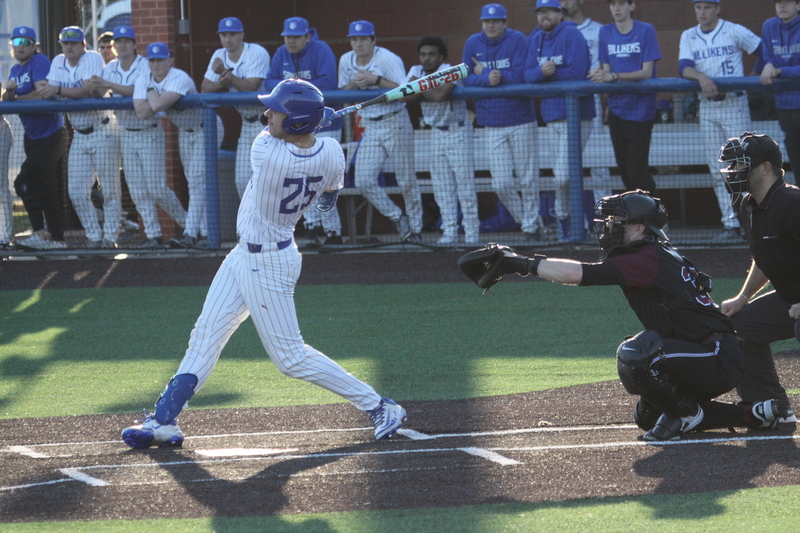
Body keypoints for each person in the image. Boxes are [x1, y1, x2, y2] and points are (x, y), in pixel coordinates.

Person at [121, 79, 407, 448]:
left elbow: (279, 137)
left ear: (297, 122)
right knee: (205, 335)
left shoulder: (266, 152)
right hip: (246, 254)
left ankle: (379, 405)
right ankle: (164, 421)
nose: (268, 114)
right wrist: (314, 130)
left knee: (291, 359)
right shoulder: (333, 152)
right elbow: (327, 198)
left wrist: (312, 125)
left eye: (278, 111)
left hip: (269, 263)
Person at [464, 190, 779, 440]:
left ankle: (687, 414)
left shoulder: (645, 256)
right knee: (648, 416)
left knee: (636, 356)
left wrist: (520, 263)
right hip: (703, 351)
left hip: (715, 355)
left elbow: (577, 274)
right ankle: (749, 415)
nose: (609, 226)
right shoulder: (652, 251)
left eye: (617, 221)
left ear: (639, 228)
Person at [719, 131, 800, 424]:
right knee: (736, 325)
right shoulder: (748, 205)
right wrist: (743, 297)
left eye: (741, 165)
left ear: (765, 168)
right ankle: (772, 408)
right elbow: (765, 258)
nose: (733, 171)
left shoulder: (793, 203)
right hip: (789, 300)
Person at [89, 26, 184, 249]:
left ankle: (189, 226)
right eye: (118, 41)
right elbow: (98, 94)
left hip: (149, 130)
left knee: (156, 188)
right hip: (126, 132)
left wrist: (108, 85)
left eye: (126, 41)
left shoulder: (144, 65)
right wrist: (94, 86)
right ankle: (153, 235)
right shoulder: (110, 68)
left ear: (134, 44)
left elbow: (137, 90)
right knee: (137, 191)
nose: (122, 45)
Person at [679, 0, 762, 242]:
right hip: (707, 106)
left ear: (717, 9)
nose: (702, 12)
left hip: (734, 104)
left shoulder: (733, 30)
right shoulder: (688, 35)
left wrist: (754, 76)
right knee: (719, 169)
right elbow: (684, 67)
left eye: (707, 7)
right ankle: (730, 224)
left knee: (744, 166)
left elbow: (764, 51)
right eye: (698, 7)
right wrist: (701, 77)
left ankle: (752, 221)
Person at [462, 3, 542, 240]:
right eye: (486, 21)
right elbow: (465, 78)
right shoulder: (472, 42)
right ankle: (529, 221)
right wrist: (486, 78)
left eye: (495, 21)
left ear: (504, 23)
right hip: (491, 122)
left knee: (528, 179)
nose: (490, 25)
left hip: (521, 119)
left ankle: (530, 229)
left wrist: (488, 73)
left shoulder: (517, 39)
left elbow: (522, 75)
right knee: (501, 184)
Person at [338, 20, 422, 243]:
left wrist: (376, 80)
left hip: (395, 121)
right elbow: (342, 93)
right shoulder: (346, 60)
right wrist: (354, 85)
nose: (358, 44)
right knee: (363, 180)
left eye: (363, 39)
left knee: (406, 181)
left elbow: (406, 91)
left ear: (373, 40)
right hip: (371, 125)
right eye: (354, 39)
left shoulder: (387, 58)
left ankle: (416, 230)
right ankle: (398, 217)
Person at [266, 16, 344, 246]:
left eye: (296, 37)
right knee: (301, 177)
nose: (291, 41)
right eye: (288, 37)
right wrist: (292, 88)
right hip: (296, 127)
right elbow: (269, 82)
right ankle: (311, 227)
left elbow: (328, 84)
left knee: (323, 178)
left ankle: (333, 231)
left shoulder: (321, 50)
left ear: (307, 36)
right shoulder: (281, 53)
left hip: (325, 125)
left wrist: (293, 88)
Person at [41, 26, 120, 248]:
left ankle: (111, 238)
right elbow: (49, 91)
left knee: (110, 190)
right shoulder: (58, 61)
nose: (69, 47)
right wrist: (50, 91)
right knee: (75, 192)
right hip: (79, 133)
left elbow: (85, 91)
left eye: (73, 43)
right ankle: (94, 236)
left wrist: (57, 91)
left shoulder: (92, 58)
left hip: (102, 129)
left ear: (83, 45)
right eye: (65, 43)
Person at [525, 0, 595, 242]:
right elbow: (527, 74)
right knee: (562, 175)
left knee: (564, 175)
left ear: (559, 13)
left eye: (549, 11)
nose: (544, 16)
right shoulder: (536, 38)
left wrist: (547, 75)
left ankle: (566, 218)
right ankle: (574, 224)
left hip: (577, 116)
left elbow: (578, 73)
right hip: (551, 116)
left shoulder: (572, 34)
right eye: (540, 12)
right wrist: (540, 73)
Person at [404, 35, 480, 246]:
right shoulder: (416, 70)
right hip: (436, 133)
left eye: (432, 54)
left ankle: (472, 233)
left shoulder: (451, 70)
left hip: (458, 131)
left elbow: (440, 96)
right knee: (442, 187)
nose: (426, 58)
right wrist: (424, 88)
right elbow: (405, 96)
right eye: (423, 54)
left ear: (441, 57)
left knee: (465, 186)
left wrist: (418, 87)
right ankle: (449, 232)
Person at [2, 26, 69, 250]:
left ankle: (40, 234)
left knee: (22, 182)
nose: (20, 47)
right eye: (16, 42)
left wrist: (16, 99)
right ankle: (57, 240)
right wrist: (9, 92)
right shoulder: (14, 70)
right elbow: (7, 99)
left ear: (33, 45)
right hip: (31, 136)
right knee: (45, 188)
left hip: (52, 134)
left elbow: (42, 94)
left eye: (25, 42)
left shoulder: (40, 62)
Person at [134, 43, 205, 249]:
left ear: (170, 61)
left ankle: (191, 234)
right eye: (152, 60)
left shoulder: (178, 77)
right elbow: (141, 113)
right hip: (184, 131)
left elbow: (156, 106)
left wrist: (149, 91)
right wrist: (153, 95)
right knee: (194, 180)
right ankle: (204, 233)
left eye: (160, 60)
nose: (156, 64)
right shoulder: (143, 77)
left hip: (205, 128)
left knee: (196, 181)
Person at [588, 0, 661, 194]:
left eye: (621, 3)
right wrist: (601, 75)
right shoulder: (605, 32)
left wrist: (615, 76)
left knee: (637, 170)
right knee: (625, 172)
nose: (616, 8)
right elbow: (606, 71)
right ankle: (637, 211)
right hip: (616, 109)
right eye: (613, 4)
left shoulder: (646, 30)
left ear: (632, 6)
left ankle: (652, 210)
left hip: (641, 109)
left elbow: (646, 72)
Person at [201, 16, 270, 199]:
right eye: (224, 35)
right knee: (242, 181)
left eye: (232, 34)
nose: (228, 39)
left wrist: (226, 75)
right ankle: (252, 218)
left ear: (242, 35)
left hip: (268, 122)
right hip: (246, 124)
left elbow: (251, 87)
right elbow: (205, 88)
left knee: (267, 182)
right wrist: (220, 83)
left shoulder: (256, 52)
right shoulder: (219, 55)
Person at [560, 0, 613, 209]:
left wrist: (609, 100)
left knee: (598, 160)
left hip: (592, 98)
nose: (564, 2)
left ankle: (606, 214)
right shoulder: (555, 32)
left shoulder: (599, 30)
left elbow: (609, 67)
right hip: (562, 101)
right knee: (566, 165)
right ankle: (574, 219)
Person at [760, 0, 800, 183]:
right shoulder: (769, 26)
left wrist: (780, 71)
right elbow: (768, 57)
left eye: (787, 2)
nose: (782, 6)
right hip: (784, 105)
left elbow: (778, 69)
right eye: (778, 2)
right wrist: (768, 65)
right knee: (796, 159)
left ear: (798, 5)